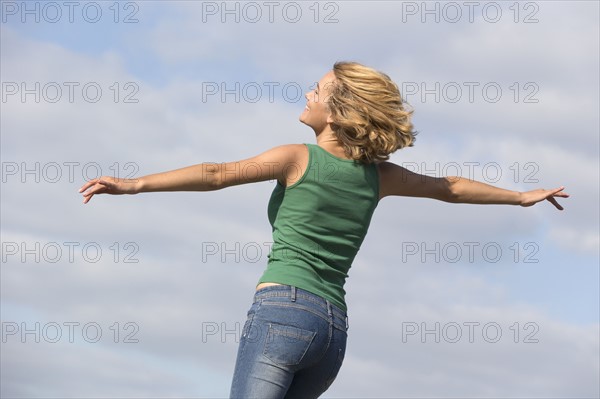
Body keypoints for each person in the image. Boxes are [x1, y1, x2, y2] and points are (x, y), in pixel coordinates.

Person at [78, 61, 568, 398]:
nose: (308, 93)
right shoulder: (381, 177)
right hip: (332, 331)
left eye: (317, 90)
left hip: (282, 314)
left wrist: (135, 183)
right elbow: (450, 187)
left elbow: (217, 174)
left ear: (334, 113)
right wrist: (521, 195)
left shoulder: (297, 157)